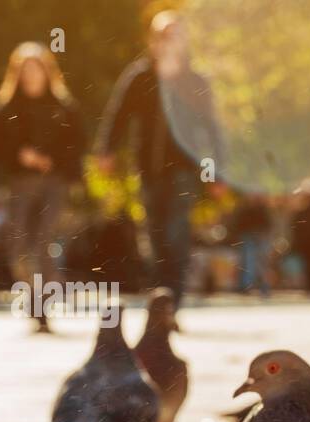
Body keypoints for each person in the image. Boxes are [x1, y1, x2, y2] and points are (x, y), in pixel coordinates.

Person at [94, 10, 224, 305]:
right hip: (147, 169)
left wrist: (219, 172)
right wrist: (106, 150)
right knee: (154, 236)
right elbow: (118, 116)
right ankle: (159, 297)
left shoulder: (194, 81)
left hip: (183, 170)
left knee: (177, 233)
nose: (169, 41)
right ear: (153, 41)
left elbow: (212, 128)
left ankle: (172, 300)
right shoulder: (140, 77)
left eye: (175, 35)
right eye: (163, 35)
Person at [0, 42, 83, 332]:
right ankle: (36, 293)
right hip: (19, 183)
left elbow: (76, 145)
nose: (31, 75)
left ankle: (45, 301)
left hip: (54, 183)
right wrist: (19, 155)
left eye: (35, 68)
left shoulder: (64, 107)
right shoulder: (5, 108)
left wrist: (54, 162)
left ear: (46, 71)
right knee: (19, 247)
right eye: (25, 69)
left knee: (42, 241)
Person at [231, 192, 271, 296]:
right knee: (249, 262)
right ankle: (246, 286)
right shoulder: (244, 209)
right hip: (248, 238)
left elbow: (267, 225)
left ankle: (263, 286)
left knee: (261, 263)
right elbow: (239, 225)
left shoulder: (263, 209)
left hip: (259, 238)